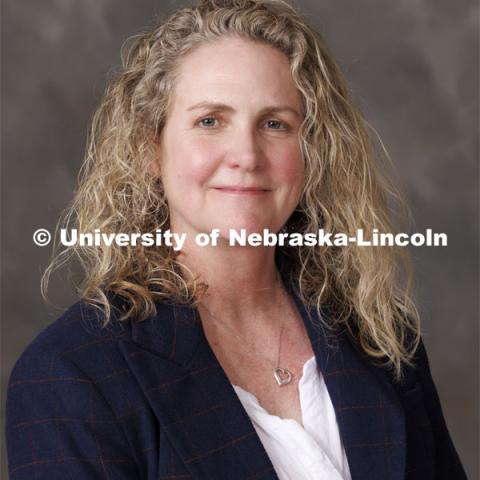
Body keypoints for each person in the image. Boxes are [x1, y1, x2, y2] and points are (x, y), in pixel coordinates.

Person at [6, 0, 467, 479]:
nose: (246, 154)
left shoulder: (382, 337)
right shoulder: (69, 375)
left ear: (311, 151)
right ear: (150, 147)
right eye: (210, 120)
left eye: (275, 124)